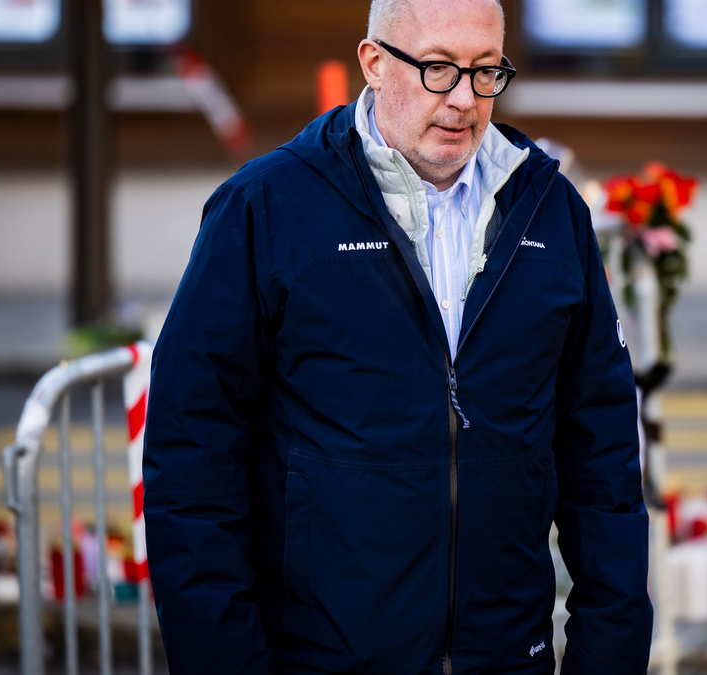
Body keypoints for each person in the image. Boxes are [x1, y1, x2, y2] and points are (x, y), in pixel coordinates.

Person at [142, 0, 653, 673]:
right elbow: (191, 465)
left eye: (486, 71)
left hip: (506, 658)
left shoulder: (551, 212)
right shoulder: (265, 209)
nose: (465, 99)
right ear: (374, 63)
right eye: (439, 69)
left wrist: (606, 657)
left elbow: (604, 464)